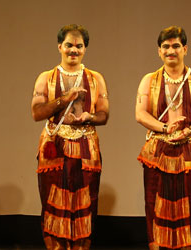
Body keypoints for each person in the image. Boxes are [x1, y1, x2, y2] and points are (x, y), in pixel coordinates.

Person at [30, 24, 109, 250]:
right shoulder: (46, 78)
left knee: (86, 202)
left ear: (84, 49)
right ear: (59, 47)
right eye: (69, 45)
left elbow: (104, 115)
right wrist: (65, 99)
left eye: (79, 46)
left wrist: (88, 116)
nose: (73, 50)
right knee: (52, 200)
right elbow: (37, 113)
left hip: (87, 145)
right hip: (54, 144)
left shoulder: (96, 79)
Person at [134, 26, 191, 250]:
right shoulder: (149, 80)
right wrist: (164, 127)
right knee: (154, 204)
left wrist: (190, 130)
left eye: (176, 46)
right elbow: (140, 114)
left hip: (188, 149)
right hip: (157, 150)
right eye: (166, 46)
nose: (171, 50)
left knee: (188, 205)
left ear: (185, 49)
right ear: (159, 51)